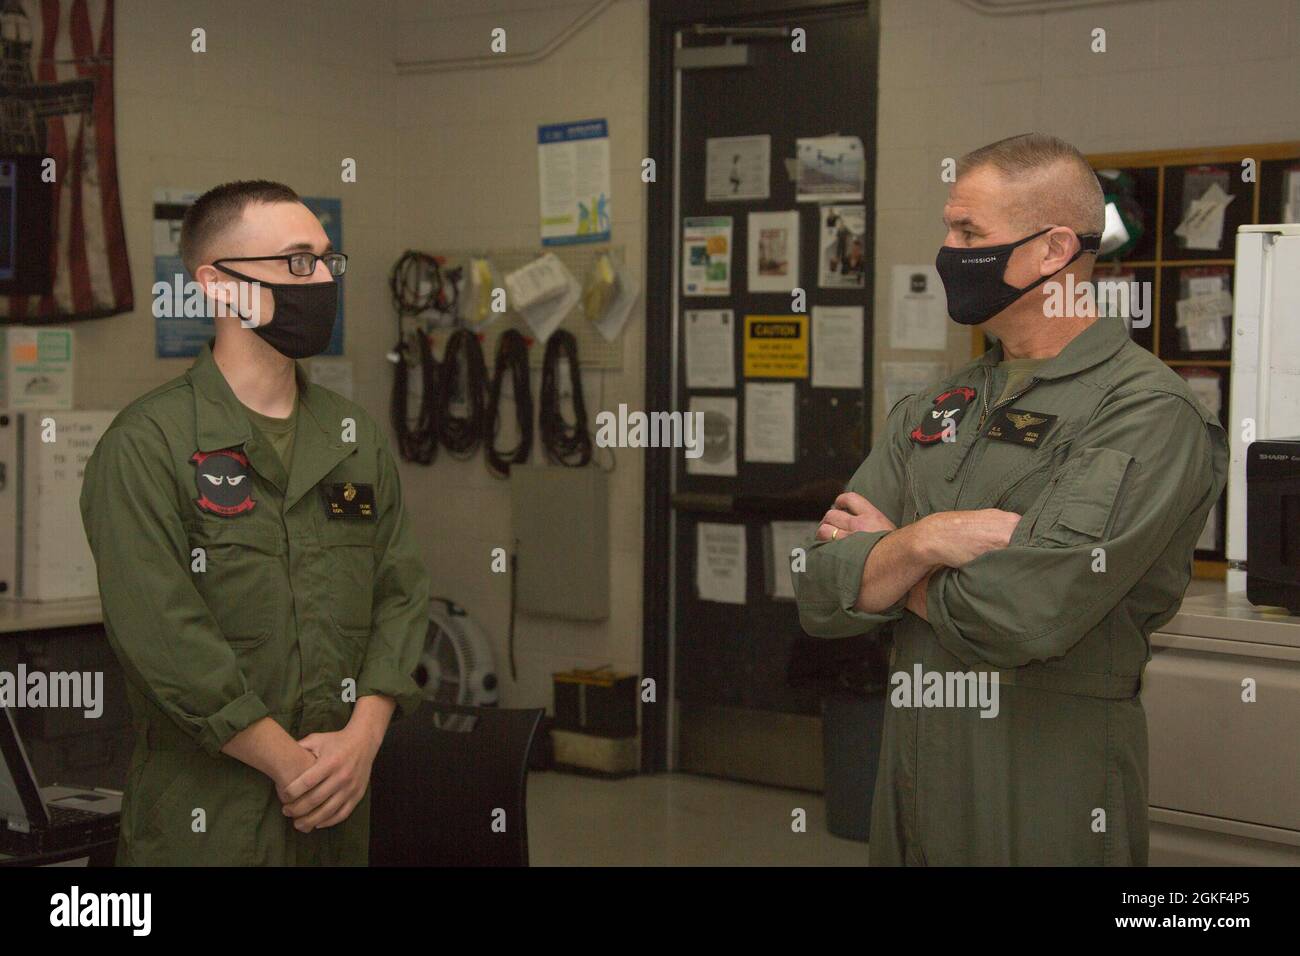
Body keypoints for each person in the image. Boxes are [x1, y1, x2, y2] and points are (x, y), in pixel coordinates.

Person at [794, 134, 1227, 865]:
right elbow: (819, 588)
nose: (947, 250)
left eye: (969, 233)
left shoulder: (1145, 412)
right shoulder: (938, 404)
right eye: (948, 228)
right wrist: (930, 539)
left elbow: (1025, 615)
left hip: (1045, 778)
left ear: (1054, 250)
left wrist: (892, 559)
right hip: (910, 779)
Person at [79, 180, 431, 865]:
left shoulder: (352, 436)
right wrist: (290, 766)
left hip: (336, 812)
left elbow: (402, 591)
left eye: (329, 260)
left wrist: (361, 742)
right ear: (219, 285)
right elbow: (164, 637)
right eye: (299, 261)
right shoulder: (148, 444)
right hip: (210, 823)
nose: (323, 278)